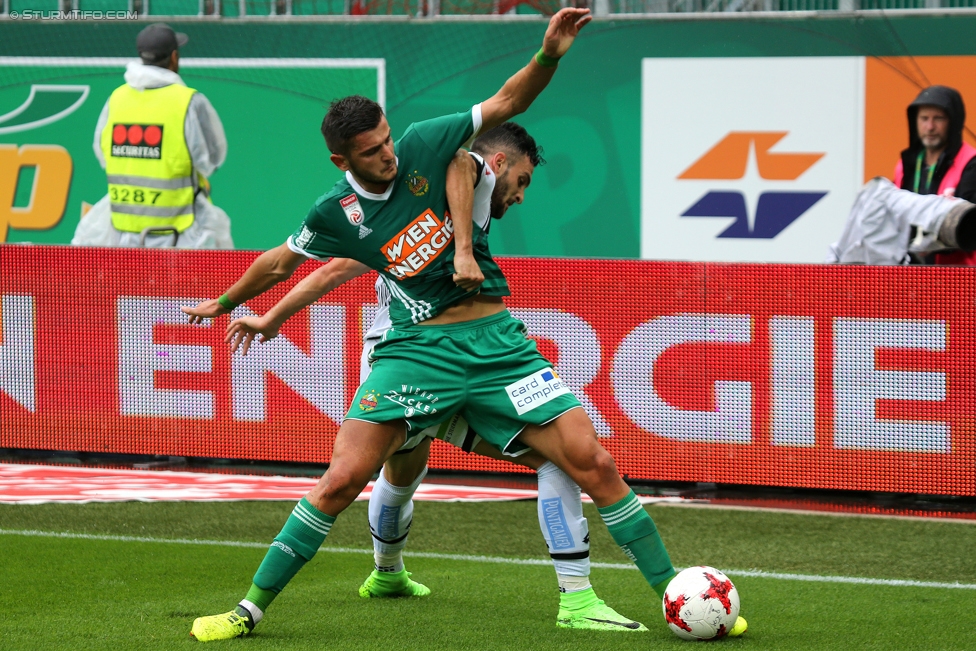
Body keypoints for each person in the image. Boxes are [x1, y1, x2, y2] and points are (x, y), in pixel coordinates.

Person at [182, 9, 734, 642]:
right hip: (416, 351)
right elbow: (283, 262)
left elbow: (503, 104)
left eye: (388, 141)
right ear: (342, 158)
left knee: (594, 462)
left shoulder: (429, 144)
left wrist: (549, 54)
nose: (388, 155)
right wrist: (231, 307)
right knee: (343, 480)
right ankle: (248, 611)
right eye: (371, 151)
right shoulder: (335, 214)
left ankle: (667, 597)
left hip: (499, 347)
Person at [220, 123, 646, 632]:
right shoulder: (432, 193)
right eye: (524, 179)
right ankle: (396, 575)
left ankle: (406, 576)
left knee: (419, 470)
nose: (522, 195)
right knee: (406, 472)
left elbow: (345, 261)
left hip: (445, 360)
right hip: (407, 361)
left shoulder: (447, 201)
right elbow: (332, 268)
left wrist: (271, 317)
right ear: (497, 165)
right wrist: (268, 316)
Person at [71, 22, 232, 249]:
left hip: (122, 233)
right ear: (174, 57)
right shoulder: (188, 102)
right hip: (179, 234)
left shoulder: (117, 98)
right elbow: (212, 159)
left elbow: (102, 153)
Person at [894, 85, 976, 264]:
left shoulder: (971, 163)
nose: (930, 127)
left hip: (959, 277)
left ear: (953, 122)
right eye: (924, 118)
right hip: (912, 276)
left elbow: (972, 228)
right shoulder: (905, 165)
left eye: (938, 118)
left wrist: (931, 240)